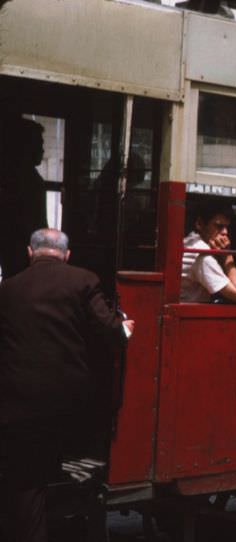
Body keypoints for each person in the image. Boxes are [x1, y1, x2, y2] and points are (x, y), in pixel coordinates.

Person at [0, 228, 134, 542]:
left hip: (17, 404)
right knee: (72, 467)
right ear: (67, 254)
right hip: (70, 405)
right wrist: (124, 328)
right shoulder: (84, 280)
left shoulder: (8, 288)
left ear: (30, 253)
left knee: (27, 479)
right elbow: (109, 332)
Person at [0, 117, 48, 280]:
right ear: (28, 147)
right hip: (22, 248)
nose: (43, 150)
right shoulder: (29, 181)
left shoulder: (14, 177)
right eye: (40, 144)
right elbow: (36, 221)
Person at [181, 201, 236, 304]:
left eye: (227, 227)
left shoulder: (191, 240)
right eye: (219, 226)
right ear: (200, 224)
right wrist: (228, 256)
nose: (225, 232)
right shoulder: (202, 256)